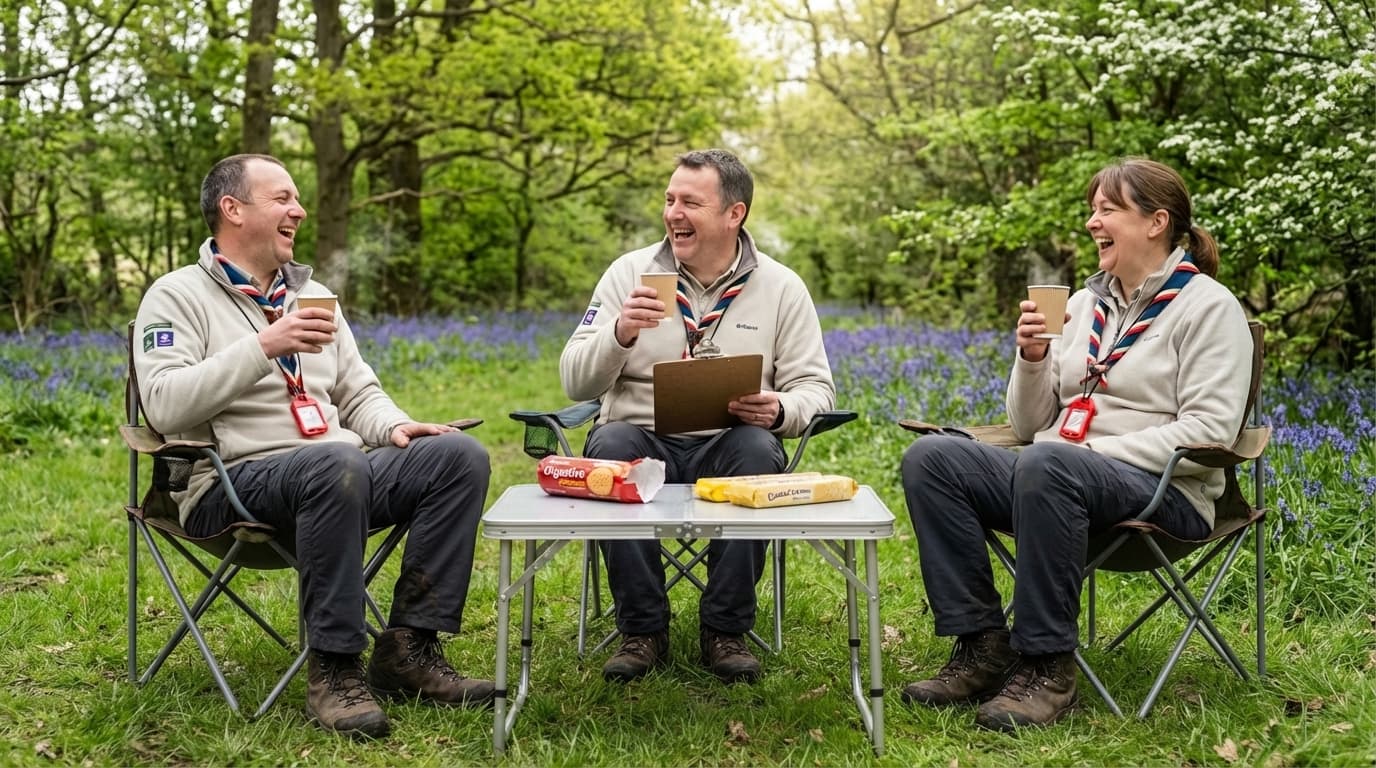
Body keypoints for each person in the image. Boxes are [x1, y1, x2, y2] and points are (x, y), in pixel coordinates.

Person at [134, 154, 493, 740]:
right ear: (232, 208)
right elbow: (164, 406)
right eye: (282, 198)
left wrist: (396, 427)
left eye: (297, 199)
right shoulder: (176, 295)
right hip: (231, 485)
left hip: (338, 474)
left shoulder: (313, 295)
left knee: (457, 458)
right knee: (337, 461)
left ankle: (409, 651)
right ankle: (334, 669)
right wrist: (264, 346)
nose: (299, 211)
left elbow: (358, 393)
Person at [899, 158, 1252, 731]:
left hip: (1165, 495)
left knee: (1050, 462)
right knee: (933, 459)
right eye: (1092, 210)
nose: (1092, 222)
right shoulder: (1085, 304)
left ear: (1156, 222)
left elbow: (1210, 430)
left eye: (1108, 210)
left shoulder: (1207, 307)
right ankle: (983, 646)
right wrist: (1032, 358)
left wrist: (1088, 455)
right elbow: (1029, 422)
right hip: (1053, 480)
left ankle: (1046, 668)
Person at [559, 149, 835, 684]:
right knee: (611, 445)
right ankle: (642, 629)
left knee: (758, 450)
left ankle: (725, 630)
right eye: (669, 200)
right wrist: (619, 333)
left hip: (729, 444)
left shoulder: (782, 287)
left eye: (690, 202)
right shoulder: (628, 274)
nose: (673, 214)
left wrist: (781, 408)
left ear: (735, 214)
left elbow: (816, 389)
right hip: (640, 440)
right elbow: (574, 380)